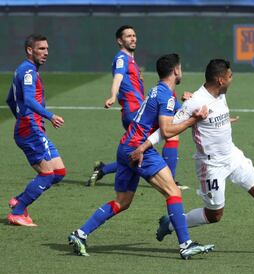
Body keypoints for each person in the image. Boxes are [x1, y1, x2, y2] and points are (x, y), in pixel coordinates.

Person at [130, 59, 254, 254]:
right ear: (221, 80)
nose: (232, 79)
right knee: (214, 215)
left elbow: (215, 117)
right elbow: (167, 130)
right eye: (230, 76)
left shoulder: (220, 94)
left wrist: (223, 121)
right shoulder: (195, 102)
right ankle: (171, 223)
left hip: (233, 156)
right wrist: (144, 146)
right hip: (211, 165)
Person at [68, 54, 214, 259]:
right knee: (173, 191)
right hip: (139, 149)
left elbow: (167, 115)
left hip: (126, 146)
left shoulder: (158, 90)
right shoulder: (166, 95)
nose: (181, 71)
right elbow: (167, 130)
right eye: (180, 68)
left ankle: (80, 234)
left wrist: (188, 109)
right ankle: (186, 245)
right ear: (176, 71)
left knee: (122, 201)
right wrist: (193, 120)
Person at [87, 25, 186, 189]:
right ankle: (172, 182)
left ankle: (104, 169)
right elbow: (118, 77)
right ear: (120, 40)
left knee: (138, 151)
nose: (132, 38)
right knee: (170, 135)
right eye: (128, 36)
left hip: (137, 110)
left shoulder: (131, 61)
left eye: (134, 35)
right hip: (133, 111)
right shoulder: (122, 58)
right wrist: (113, 95)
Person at [5, 34, 66, 227]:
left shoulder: (26, 70)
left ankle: (19, 200)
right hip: (30, 129)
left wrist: (23, 117)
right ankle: (18, 211)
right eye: (41, 49)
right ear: (29, 50)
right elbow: (29, 100)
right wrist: (49, 116)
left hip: (31, 127)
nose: (46, 53)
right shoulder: (29, 71)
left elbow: (10, 99)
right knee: (47, 174)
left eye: (47, 49)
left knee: (59, 172)